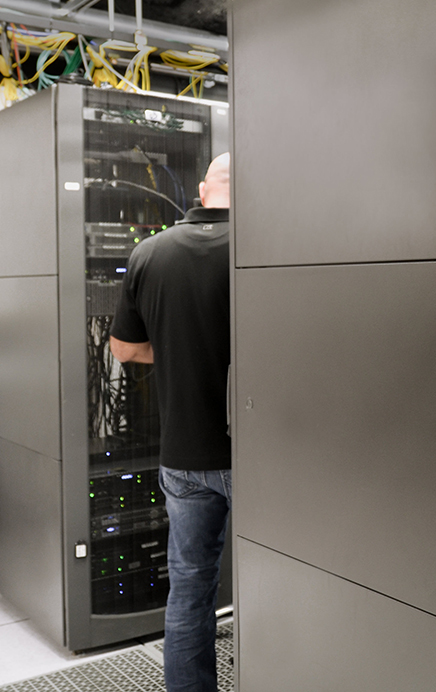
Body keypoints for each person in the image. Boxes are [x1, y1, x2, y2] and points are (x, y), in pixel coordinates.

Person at [110, 152, 232, 692]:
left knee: (189, 586)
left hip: (182, 456)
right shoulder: (266, 251)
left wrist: (182, 353)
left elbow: (124, 350)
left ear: (204, 190)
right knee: (282, 580)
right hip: (257, 453)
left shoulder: (148, 252)